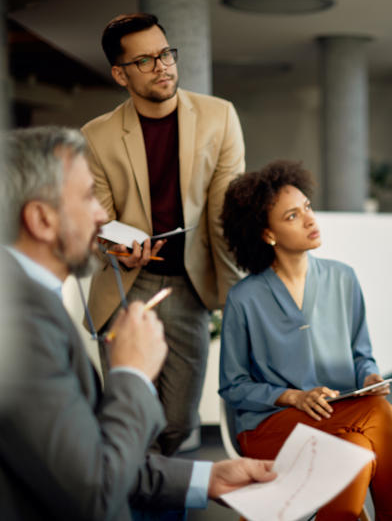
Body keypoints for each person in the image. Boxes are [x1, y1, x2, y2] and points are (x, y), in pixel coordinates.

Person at [0, 126, 275, 520]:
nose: (101, 215)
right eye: (88, 197)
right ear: (41, 220)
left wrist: (207, 478)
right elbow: (95, 491)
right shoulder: (19, 322)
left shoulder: (30, 300)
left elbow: (83, 456)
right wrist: (132, 372)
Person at [82, 13, 245, 455]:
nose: (163, 67)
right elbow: (97, 218)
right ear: (120, 74)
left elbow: (223, 215)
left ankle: (153, 486)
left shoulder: (219, 117)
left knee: (177, 422)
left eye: (166, 54)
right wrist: (118, 249)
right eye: (146, 60)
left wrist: (239, 299)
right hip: (127, 284)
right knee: (130, 418)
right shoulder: (96, 136)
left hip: (189, 286)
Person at [218, 161, 392, 521]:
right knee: (379, 415)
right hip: (271, 426)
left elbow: (361, 354)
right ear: (267, 234)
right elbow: (233, 386)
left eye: (307, 207)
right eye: (292, 216)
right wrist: (292, 396)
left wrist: (369, 377)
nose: (309, 220)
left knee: (354, 445)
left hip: (342, 417)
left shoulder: (344, 279)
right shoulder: (244, 299)